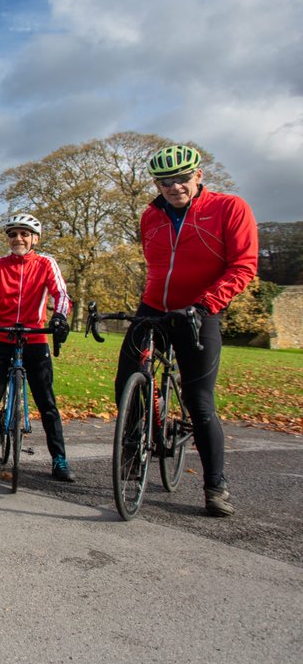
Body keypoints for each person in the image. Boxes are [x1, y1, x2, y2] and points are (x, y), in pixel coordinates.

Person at [114, 145, 257, 517]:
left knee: (200, 402)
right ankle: (133, 445)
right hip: (154, 308)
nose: (174, 186)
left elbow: (243, 266)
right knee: (127, 374)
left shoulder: (229, 208)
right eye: (165, 181)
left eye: (181, 178)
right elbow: (156, 266)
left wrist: (206, 303)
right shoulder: (151, 215)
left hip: (200, 310)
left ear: (198, 175)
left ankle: (215, 486)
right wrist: (149, 306)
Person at [0, 213, 74, 481]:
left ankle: (59, 458)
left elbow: (61, 293)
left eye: (24, 234)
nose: (18, 239)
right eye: (13, 234)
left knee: (46, 401)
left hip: (35, 337)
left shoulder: (46, 263)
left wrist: (59, 317)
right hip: (2, 336)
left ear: (35, 239)